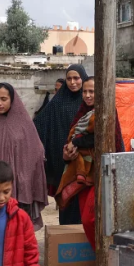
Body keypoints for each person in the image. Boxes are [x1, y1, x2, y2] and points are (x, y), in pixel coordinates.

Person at [58, 76, 124, 266]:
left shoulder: (106, 113)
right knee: (87, 220)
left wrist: (77, 142)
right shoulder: (82, 114)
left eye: (92, 92)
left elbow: (101, 137)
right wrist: (68, 151)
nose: (87, 95)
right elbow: (73, 138)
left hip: (103, 174)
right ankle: (101, 260)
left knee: (94, 218)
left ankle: (109, 262)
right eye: (85, 92)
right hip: (83, 173)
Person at [0, 83, 48, 230]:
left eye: (4, 99)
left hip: (21, 189)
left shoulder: (24, 123)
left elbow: (36, 151)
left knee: (19, 231)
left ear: (12, 99)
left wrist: (24, 176)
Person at [34, 64, 88, 225]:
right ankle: (67, 238)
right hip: (63, 162)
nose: (72, 82)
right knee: (67, 202)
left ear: (83, 79)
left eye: (76, 78)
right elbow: (40, 125)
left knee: (86, 204)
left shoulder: (88, 100)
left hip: (86, 162)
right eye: (69, 79)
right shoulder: (57, 102)